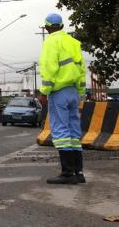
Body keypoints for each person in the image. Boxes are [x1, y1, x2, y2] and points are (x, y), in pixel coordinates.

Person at [39, 13, 86, 184]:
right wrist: (81, 90)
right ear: (62, 25)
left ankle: (67, 174)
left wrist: (44, 91)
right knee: (74, 131)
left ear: (47, 27)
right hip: (73, 91)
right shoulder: (73, 42)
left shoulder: (51, 41)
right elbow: (81, 69)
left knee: (60, 130)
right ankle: (79, 173)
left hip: (59, 92)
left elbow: (49, 68)